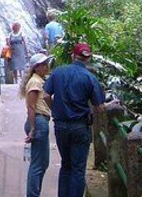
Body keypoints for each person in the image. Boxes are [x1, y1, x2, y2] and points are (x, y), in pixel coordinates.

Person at [43, 43, 105, 197]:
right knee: (78, 169)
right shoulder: (90, 77)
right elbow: (100, 107)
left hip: (60, 125)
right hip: (79, 126)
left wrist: (55, 110)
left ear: (73, 55)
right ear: (88, 58)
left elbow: (45, 95)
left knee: (66, 165)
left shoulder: (58, 72)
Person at [20, 53, 54, 197]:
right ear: (36, 67)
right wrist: (33, 128)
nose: (47, 67)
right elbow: (31, 106)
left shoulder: (39, 80)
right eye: (44, 64)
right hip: (38, 122)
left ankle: (34, 193)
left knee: (42, 163)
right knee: (38, 164)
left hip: (40, 121)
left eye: (47, 64)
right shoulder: (35, 82)